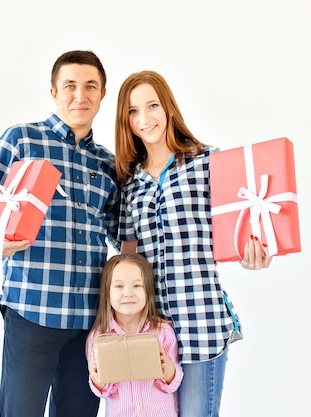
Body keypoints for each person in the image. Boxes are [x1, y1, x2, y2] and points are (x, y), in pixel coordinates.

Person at [114, 70, 272, 417]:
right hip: (151, 333)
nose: (144, 118)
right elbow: (128, 259)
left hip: (201, 324)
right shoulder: (129, 184)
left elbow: (241, 231)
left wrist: (253, 256)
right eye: (133, 111)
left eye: (152, 105)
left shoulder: (207, 162)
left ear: (168, 107)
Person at [0, 50, 120, 417]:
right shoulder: (22, 139)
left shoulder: (108, 164)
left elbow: (123, 237)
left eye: (90, 86)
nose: (79, 96)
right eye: (70, 86)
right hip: (32, 310)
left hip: (89, 321)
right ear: (54, 92)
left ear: (102, 94)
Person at [87, 253, 183, 417]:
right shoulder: (99, 338)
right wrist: (97, 378)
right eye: (119, 286)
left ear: (148, 290)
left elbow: (173, 383)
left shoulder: (162, 332)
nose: (128, 293)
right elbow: (102, 391)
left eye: (137, 286)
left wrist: (168, 370)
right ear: (107, 293)